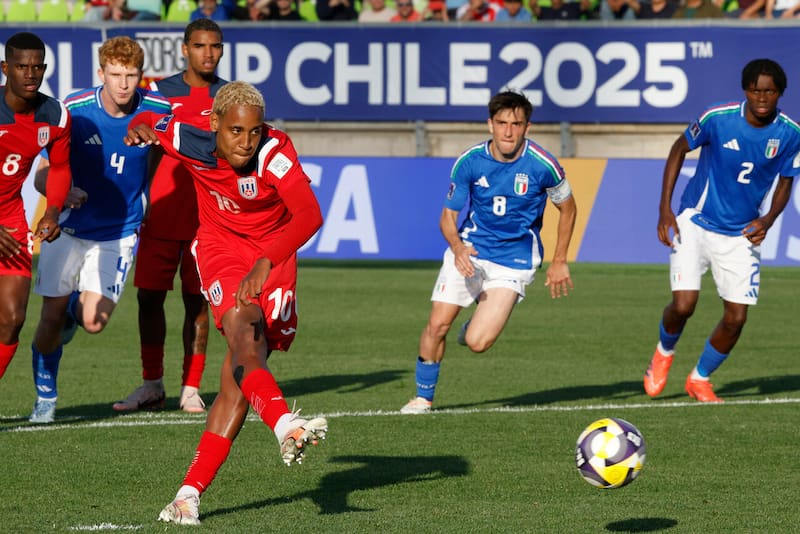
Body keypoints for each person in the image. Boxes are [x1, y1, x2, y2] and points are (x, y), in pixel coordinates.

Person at [124, 80, 328, 525]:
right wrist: (140, 127)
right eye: (236, 131)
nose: (246, 142)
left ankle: (187, 496)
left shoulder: (274, 152)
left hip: (272, 256)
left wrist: (266, 260)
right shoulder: (188, 137)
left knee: (239, 373)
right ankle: (285, 425)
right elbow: (149, 122)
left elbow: (310, 214)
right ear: (214, 124)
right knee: (243, 334)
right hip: (220, 249)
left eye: (254, 132)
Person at [400, 90, 577, 414]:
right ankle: (423, 397)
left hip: (514, 261)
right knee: (438, 323)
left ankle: (472, 328)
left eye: (517, 124)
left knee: (478, 343)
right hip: (471, 251)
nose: (508, 131)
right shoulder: (470, 161)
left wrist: (560, 260)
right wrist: (457, 249)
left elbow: (568, 208)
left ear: (527, 126)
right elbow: (448, 217)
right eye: (502, 123)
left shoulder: (544, 165)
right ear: (490, 124)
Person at [27, 36, 171, 424]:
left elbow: (170, 147)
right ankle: (45, 396)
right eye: (115, 74)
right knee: (49, 317)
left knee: (93, 323)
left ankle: (75, 313)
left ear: (142, 76)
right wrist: (60, 192)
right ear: (101, 73)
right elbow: (41, 174)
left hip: (119, 233)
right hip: (70, 228)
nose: (123, 84)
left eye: (131, 75)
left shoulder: (159, 110)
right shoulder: (74, 109)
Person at [643, 59, 800, 403]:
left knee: (736, 317)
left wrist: (769, 219)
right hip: (695, 222)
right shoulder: (717, 118)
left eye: (770, 91)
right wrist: (665, 210)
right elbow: (677, 150)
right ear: (745, 90)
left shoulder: (791, 133)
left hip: (741, 233)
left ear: (780, 93)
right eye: (756, 90)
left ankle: (699, 378)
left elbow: (786, 182)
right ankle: (663, 352)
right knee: (684, 305)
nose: (762, 97)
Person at [112, 19, 227, 414]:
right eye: (199, 46)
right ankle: (152, 384)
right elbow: (136, 125)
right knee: (148, 298)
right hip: (161, 213)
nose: (207, 53)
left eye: (214, 46)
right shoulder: (159, 92)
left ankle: (191, 387)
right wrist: (137, 131)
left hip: (206, 221)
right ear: (184, 49)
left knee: (198, 303)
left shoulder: (228, 97)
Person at [0, 32, 71, 381]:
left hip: (10, 219)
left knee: (12, 320)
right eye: (21, 66)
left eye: (37, 67)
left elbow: (59, 167)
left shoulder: (55, 115)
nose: (30, 74)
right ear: (5, 68)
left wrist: (53, 210)